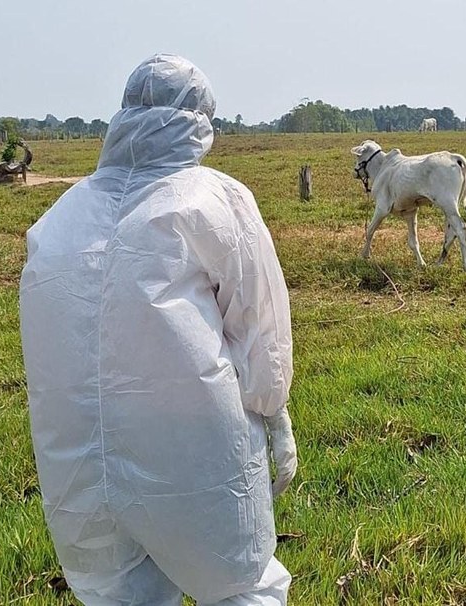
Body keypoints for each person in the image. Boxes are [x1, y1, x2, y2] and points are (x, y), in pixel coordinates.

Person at [19, 54, 297, 606]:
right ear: (200, 121)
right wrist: (273, 413)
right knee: (240, 588)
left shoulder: (58, 217)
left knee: (120, 595)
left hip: (76, 455)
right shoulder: (218, 200)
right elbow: (261, 330)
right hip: (193, 445)